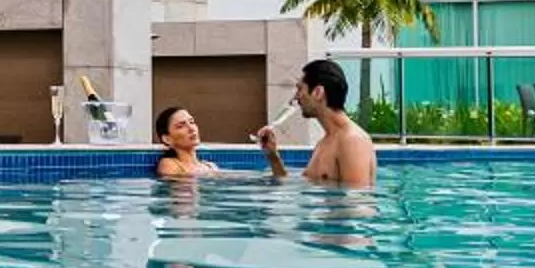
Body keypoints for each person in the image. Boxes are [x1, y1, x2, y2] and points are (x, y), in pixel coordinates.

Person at [256, 59, 378, 188]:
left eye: (300, 89)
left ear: (318, 92)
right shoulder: (324, 143)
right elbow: (294, 184)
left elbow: (357, 203)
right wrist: (273, 156)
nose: (296, 98)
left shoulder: (353, 141)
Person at [153, 104, 291, 181]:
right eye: (181, 126)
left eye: (192, 122)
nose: (191, 128)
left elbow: (277, 179)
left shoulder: (210, 166)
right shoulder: (170, 164)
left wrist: (272, 155)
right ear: (167, 139)